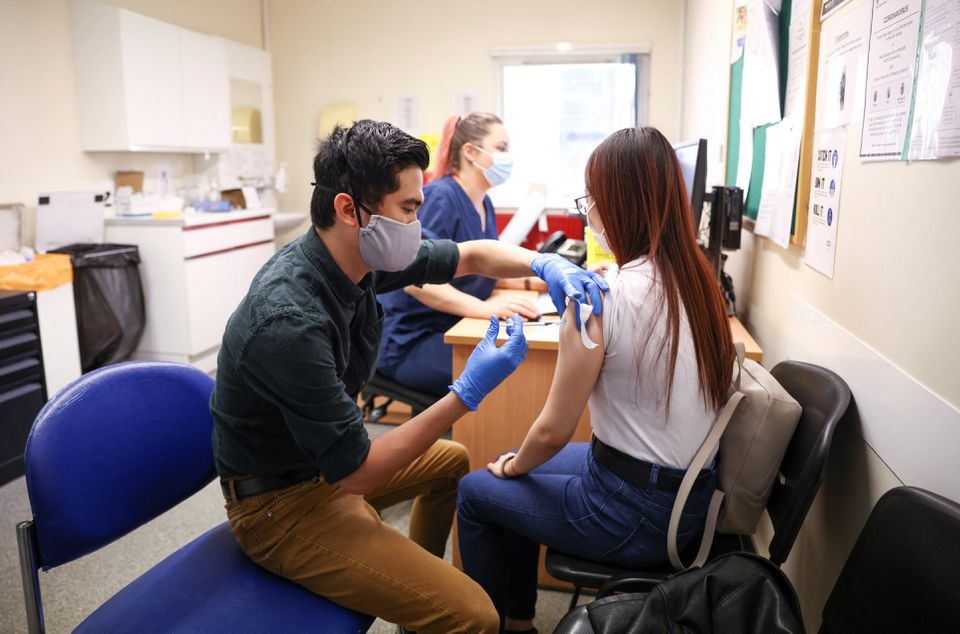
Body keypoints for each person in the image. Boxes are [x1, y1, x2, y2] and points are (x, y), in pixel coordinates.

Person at [210, 119, 607, 634]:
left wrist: (546, 263)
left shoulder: (360, 256)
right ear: (349, 209)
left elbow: (471, 254)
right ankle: (432, 610)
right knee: (477, 617)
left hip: (319, 465)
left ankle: (414, 612)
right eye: (409, 209)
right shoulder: (289, 318)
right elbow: (359, 473)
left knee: (453, 460)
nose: (418, 225)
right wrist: (465, 393)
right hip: (280, 506)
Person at [455, 126, 735, 632]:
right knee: (516, 468)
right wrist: (521, 465)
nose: (588, 212)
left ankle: (504, 626)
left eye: (592, 199)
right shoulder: (700, 282)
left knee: (479, 490)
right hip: (691, 500)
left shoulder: (600, 298)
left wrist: (517, 466)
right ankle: (520, 620)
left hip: (635, 515)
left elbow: (551, 431)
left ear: (618, 205)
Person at [377, 112, 539, 396]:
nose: (507, 157)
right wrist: (486, 309)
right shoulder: (441, 198)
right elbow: (417, 281)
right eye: (501, 148)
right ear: (470, 152)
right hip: (412, 338)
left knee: (520, 364)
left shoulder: (483, 203)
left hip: (452, 326)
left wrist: (536, 280)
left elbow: (478, 270)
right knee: (505, 379)